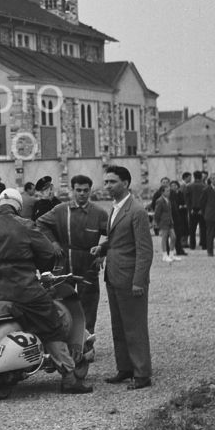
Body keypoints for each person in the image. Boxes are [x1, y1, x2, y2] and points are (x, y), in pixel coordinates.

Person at [0, 188, 80, 392]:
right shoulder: (25, 225)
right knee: (51, 322)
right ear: (18, 206)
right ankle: (69, 376)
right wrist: (35, 262)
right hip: (25, 290)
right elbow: (48, 252)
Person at [36, 173, 110, 385]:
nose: (82, 194)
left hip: (87, 262)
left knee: (88, 303)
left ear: (91, 190)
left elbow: (112, 234)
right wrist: (52, 242)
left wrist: (102, 253)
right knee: (63, 304)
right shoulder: (61, 210)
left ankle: (87, 344)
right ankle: (62, 346)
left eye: (86, 190)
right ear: (72, 190)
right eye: (78, 190)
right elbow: (40, 223)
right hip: (64, 261)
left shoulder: (98, 213)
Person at [92, 165, 153, 390]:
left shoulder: (136, 210)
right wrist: (103, 248)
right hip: (114, 276)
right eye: (106, 181)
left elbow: (144, 250)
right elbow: (119, 239)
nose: (107, 186)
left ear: (125, 183)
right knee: (119, 326)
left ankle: (142, 374)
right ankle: (125, 368)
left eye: (112, 182)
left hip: (130, 279)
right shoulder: (115, 208)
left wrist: (139, 281)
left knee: (135, 327)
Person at [152, 184, 178, 262]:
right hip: (163, 222)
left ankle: (171, 254)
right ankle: (164, 255)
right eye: (167, 191)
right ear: (162, 192)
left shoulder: (168, 200)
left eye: (169, 191)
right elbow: (157, 213)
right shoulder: (159, 201)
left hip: (169, 221)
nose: (169, 192)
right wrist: (156, 222)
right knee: (164, 238)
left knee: (173, 237)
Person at [186, 170, 207, 250]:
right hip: (202, 209)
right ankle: (204, 245)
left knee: (192, 229)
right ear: (201, 177)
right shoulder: (205, 186)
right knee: (203, 228)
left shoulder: (189, 186)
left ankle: (192, 245)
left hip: (192, 209)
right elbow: (206, 199)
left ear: (194, 177)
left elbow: (187, 200)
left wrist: (190, 209)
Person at [168, 178, 189, 256]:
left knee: (178, 234)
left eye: (175, 185)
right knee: (172, 235)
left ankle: (179, 249)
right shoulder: (170, 194)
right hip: (173, 216)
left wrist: (183, 206)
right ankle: (170, 251)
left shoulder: (180, 193)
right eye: (172, 185)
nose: (173, 187)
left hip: (181, 215)